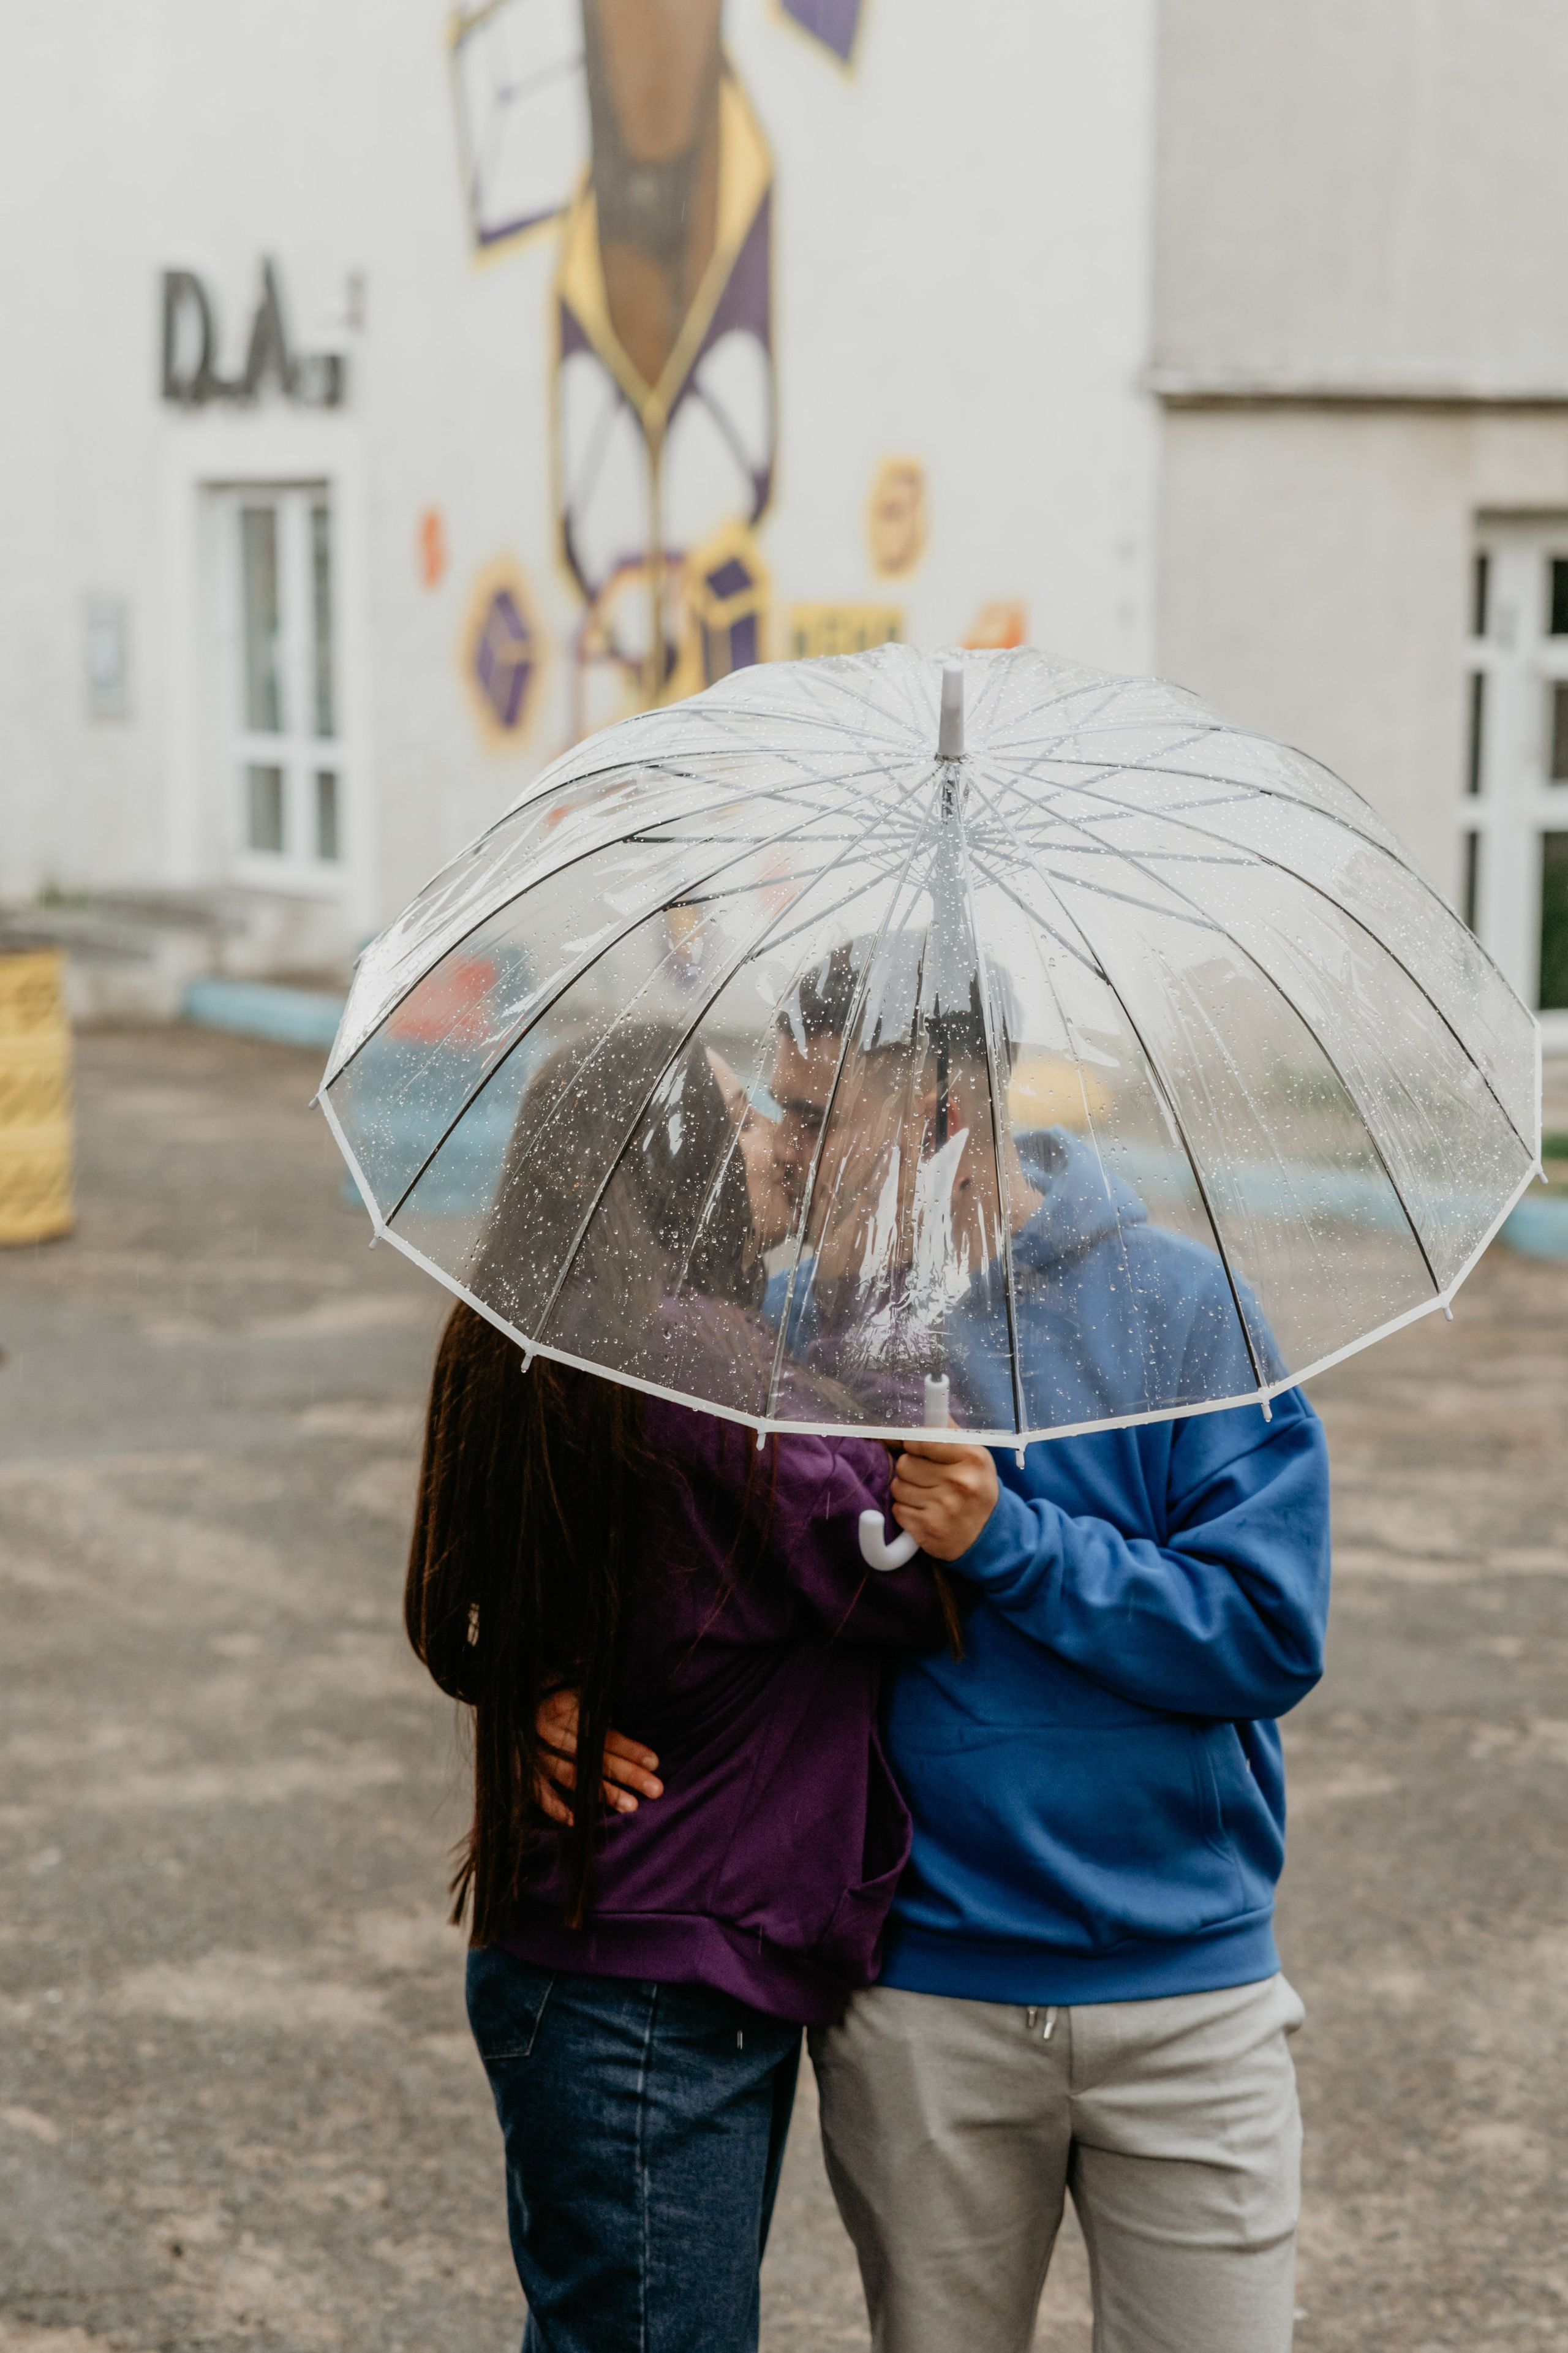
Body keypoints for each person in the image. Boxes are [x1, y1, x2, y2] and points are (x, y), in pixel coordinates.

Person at [571, 945, 1332, 2353]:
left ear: (941, 1115)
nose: (779, 1154)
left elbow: (1268, 1632)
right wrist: (538, 1688)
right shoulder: (792, 1329)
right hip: (918, 1999)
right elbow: (648, 1568)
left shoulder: (1179, 1313)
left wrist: (1012, 1544)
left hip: (1184, 1997)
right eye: (777, 1112)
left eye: (814, 1113)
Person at [405, 1027, 954, 2353]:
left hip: (594, 1956)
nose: (775, 1138)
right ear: (673, 1158)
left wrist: (524, 1680)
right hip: (651, 1988)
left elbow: (452, 1602)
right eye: (743, 1115)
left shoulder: (535, 1331)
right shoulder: (692, 1363)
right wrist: (896, 1339)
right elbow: (899, 1566)